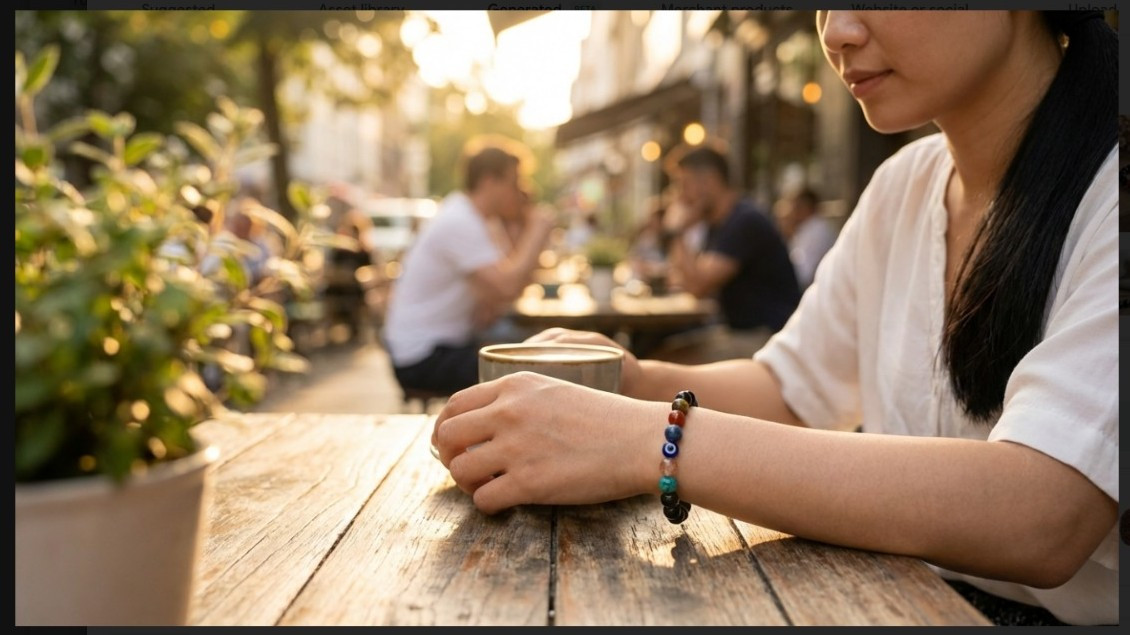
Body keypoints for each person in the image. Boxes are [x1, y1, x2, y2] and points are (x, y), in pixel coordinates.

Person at [430, 11, 1118, 626]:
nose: (836, 31)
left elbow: (1043, 512)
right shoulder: (904, 184)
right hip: (897, 592)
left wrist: (650, 439)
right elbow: (791, 387)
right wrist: (625, 378)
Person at [383, 138, 555, 395]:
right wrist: (538, 230)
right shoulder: (460, 221)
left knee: (537, 350)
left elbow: (503, 293)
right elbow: (508, 286)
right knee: (541, 369)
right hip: (423, 357)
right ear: (489, 181)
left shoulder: (472, 218)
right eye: (514, 181)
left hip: (438, 347)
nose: (521, 190)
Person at [660, 144, 802, 360]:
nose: (679, 196)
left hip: (769, 339)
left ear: (709, 180)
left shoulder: (744, 220)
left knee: (668, 360)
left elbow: (697, 286)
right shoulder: (718, 224)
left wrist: (677, 231)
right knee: (665, 350)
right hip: (741, 332)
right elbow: (686, 283)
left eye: (683, 184)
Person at [774, 187, 838, 289]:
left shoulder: (816, 231)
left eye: (794, 206)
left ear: (804, 207)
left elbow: (802, 275)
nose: (791, 211)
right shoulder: (809, 229)